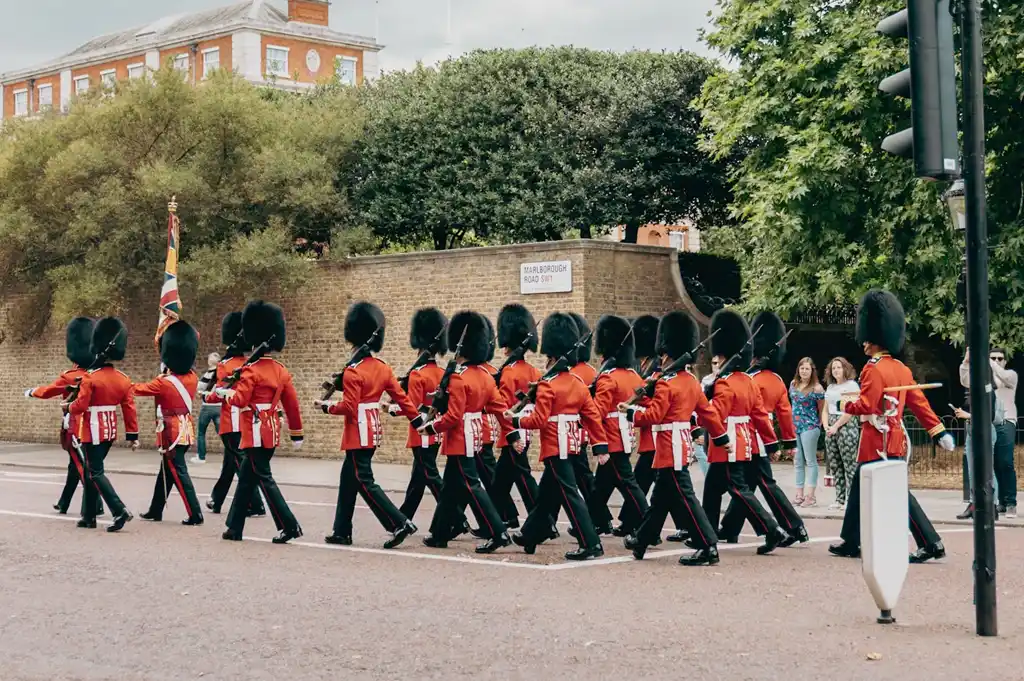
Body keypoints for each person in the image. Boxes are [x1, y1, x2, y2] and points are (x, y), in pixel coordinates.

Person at [828, 290, 955, 563]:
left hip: (877, 440)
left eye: (865, 340)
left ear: (872, 340)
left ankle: (931, 542)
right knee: (860, 488)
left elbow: (868, 405)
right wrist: (938, 431)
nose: (863, 344)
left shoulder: (872, 369)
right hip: (895, 438)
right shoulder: (901, 368)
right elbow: (919, 404)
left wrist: (844, 406)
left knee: (895, 493)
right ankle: (850, 539)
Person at [621, 310, 730, 566]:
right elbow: (708, 413)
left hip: (669, 446)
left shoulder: (666, 383)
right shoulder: (690, 381)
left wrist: (630, 414)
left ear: (667, 352)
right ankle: (641, 539)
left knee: (685, 497)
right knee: (660, 499)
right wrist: (722, 437)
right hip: (680, 444)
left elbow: (655, 415)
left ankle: (708, 545)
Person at [316, 301, 421, 549]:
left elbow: (349, 406)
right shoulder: (382, 368)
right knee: (348, 479)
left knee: (363, 480)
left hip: (358, 431)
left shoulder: (353, 370)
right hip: (373, 428)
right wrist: (416, 419)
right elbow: (401, 398)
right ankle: (341, 530)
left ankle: (399, 522)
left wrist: (326, 406)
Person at [508, 312, 610, 561]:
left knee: (570, 494)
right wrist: (600, 447)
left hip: (555, 444)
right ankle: (530, 534)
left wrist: (516, 420)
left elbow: (539, 420)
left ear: (552, 357)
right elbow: (593, 417)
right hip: (574, 444)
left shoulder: (548, 385)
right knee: (546, 495)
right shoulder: (577, 382)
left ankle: (590, 543)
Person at [417, 311, 512, 554]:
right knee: (450, 487)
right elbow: (501, 409)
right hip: (477, 435)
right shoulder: (485, 376)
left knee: (472, 485)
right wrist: (513, 434)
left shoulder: (459, 379)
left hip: (460, 437)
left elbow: (453, 417)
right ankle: (439, 534)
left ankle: (498, 531)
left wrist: (431, 427)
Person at [700, 309, 790, 555]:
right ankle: (705, 533)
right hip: (745, 441)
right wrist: (772, 444)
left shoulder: (725, 383)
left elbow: (715, 414)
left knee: (739, 490)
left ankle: (772, 529)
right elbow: (760, 416)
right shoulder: (748, 381)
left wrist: (701, 412)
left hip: (727, 443)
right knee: (711, 488)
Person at [219, 300, 304, 544]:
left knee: (264, 478)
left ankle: (289, 525)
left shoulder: (251, 370)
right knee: (246, 479)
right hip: (271, 429)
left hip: (253, 429)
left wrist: (227, 394)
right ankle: (234, 527)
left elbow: (240, 399)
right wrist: (296, 433)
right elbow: (292, 404)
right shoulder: (279, 369)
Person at [718, 311, 807, 546]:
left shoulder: (748, 379)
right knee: (747, 485)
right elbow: (785, 414)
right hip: (762, 436)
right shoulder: (776, 381)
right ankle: (729, 528)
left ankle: (793, 527)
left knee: (759, 484)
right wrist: (787, 442)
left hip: (748, 436)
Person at [24, 317, 103, 518]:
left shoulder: (71, 375)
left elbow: (49, 391)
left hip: (75, 426)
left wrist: (32, 391)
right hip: (93, 424)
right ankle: (64, 502)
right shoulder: (96, 374)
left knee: (82, 466)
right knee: (74, 465)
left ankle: (97, 503)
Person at [66, 316, 138, 532]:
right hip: (110, 430)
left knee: (95, 472)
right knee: (90, 470)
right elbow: (129, 408)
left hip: (92, 429)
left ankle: (119, 510)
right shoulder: (123, 379)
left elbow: (80, 406)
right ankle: (88, 517)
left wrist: (66, 407)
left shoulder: (90, 378)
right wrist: (132, 435)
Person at [395, 307, 463, 529]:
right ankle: (403, 516)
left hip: (422, 429)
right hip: (436, 428)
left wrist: (392, 409)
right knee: (418, 478)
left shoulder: (417, 374)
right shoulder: (443, 372)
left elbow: (411, 406)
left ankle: (456, 518)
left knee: (431, 476)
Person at [134, 320, 204, 526]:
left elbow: (136, 388)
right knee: (167, 470)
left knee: (179, 471)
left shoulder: (163, 382)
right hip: (185, 426)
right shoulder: (192, 377)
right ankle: (155, 510)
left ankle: (195, 513)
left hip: (171, 430)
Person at [587, 315, 650, 537]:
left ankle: (648, 523)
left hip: (611, 438)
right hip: (626, 434)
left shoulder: (608, 378)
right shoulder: (634, 376)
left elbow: (597, 412)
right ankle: (598, 522)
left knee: (628, 484)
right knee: (599, 487)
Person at [202, 312, 266, 518]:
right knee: (230, 463)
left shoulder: (225, 365)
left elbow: (220, 393)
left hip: (231, 419)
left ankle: (256, 504)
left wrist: (206, 397)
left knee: (240, 463)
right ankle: (217, 499)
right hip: (246, 418)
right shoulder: (249, 362)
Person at [489, 303, 543, 531]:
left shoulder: (509, 372)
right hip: (525, 428)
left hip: (513, 429)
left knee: (519, 480)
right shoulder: (532, 370)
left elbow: (501, 403)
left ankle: (543, 521)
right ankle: (506, 518)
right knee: (501, 483)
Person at [616, 314, 664, 537]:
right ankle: (630, 522)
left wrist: (634, 407)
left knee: (645, 481)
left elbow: (657, 404)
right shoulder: (641, 366)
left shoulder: (658, 370)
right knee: (643, 481)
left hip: (659, 433)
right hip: (648, 432)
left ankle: (640, 525)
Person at [960, 347, 1017, 518]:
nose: (997, 361)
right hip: (988, 423)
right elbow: (965, 379)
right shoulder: (985, 378)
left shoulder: (1010, 375)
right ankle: (996, 502)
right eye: (994, 358)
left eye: (1000, 358)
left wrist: (986, 359)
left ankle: (1010, 502)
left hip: (1006, 420)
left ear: (1005, 361)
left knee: (1005, 462)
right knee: (989, 464)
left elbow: (1002, 375)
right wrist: (966, 361)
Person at [567, 312, 597, 507]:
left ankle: (598, 517)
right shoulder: (593, 372)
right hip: (584, 431)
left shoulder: (572, 375)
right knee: (580, 476)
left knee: (581, 477)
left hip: (572, 431)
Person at [954, 390, 999, 520]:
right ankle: (974, 504)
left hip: (984, 431)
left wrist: (967, 415)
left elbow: (988, 416)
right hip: (971, 430)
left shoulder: (987, 390)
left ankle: (992, 505)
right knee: (972, 471)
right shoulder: (972, 389)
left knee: (988, 470)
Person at [822, 356, 860, 510]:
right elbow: (825, 408)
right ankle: (839, 499)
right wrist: (826, 426)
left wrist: (836, 426)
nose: (836, 370)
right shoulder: (830, 388)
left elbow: (850, 411)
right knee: (836, 466)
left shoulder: (851, 386)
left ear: (845, 368)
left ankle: (851, 499)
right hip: (831, 426)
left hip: (846, 425)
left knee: (849, 465)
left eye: (839, 367)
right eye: (834, 368)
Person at [789, 357, 824, 507]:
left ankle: (811, 496)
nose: (804, 371)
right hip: (794, 426)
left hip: (809, 426)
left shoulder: (817, 388)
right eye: (802, 368)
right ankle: (799, 494)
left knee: (810, 461)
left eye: (807, 369)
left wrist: (820, 422)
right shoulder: (793, 384)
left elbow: (822, 406)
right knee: (797, 461)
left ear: (812, 371)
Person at [191, 352, 221, 464]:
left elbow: (199, 388)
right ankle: (232, 455)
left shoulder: (207, 375)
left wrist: (202, 393)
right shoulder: (222, 374)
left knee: (201, 432)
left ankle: (201, 457)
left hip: (207, 407)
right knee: (223, 433)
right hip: (220, 407)